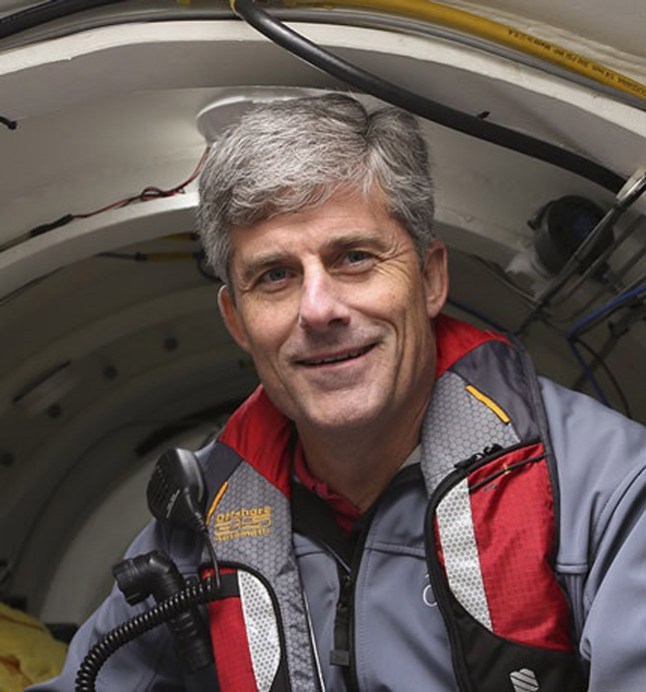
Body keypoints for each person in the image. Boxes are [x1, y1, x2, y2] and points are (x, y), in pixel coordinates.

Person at [30, 93, 646, 691]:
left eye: (354, 257)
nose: (318, 309)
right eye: (275, 275)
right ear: (237, 321)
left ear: (431, 279)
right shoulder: (199, 526)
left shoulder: (605, 494)